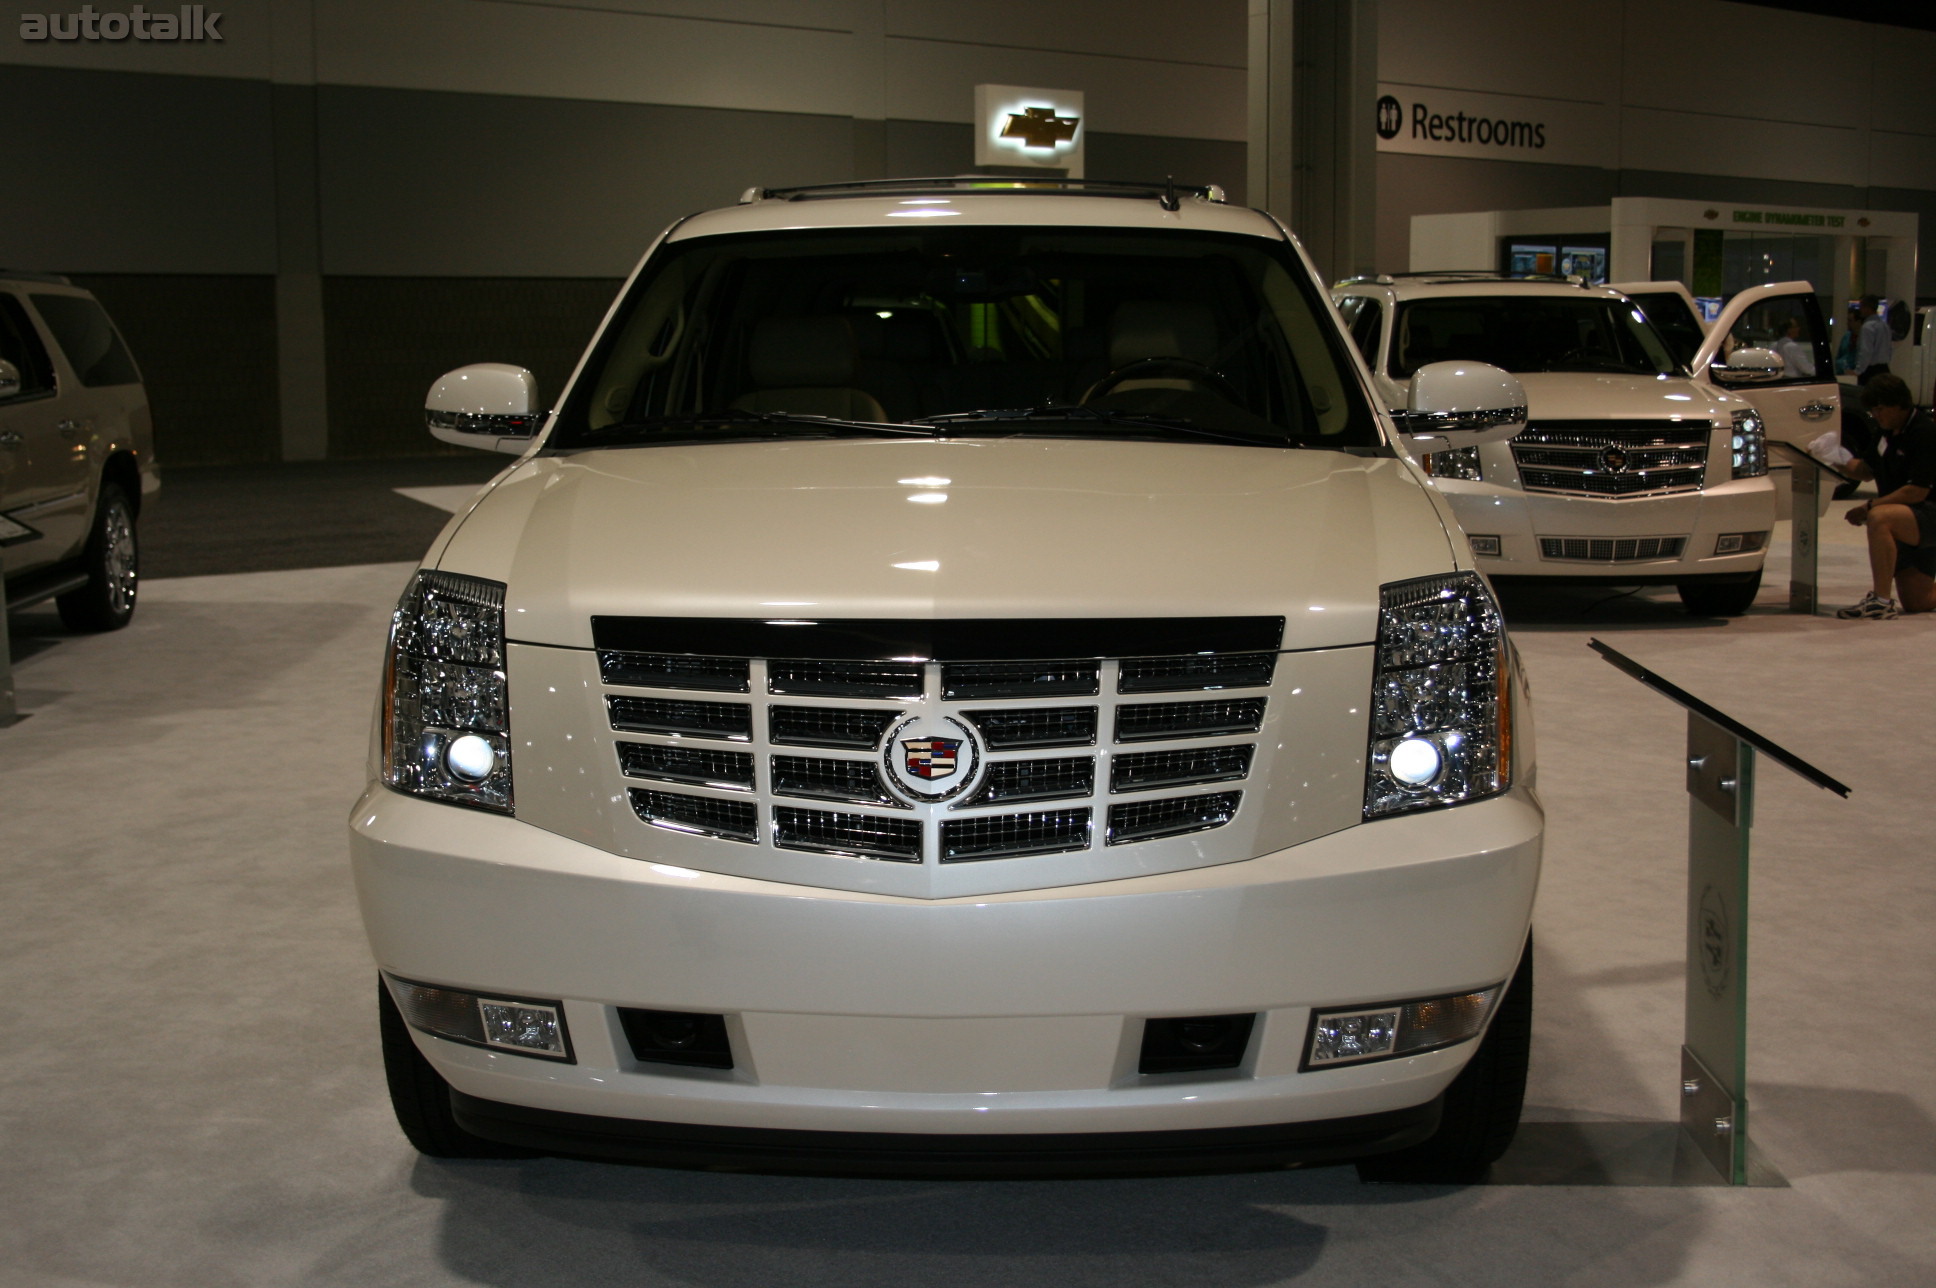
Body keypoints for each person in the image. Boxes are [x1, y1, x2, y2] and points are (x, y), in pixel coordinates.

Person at [1835, 373, 1936, 619]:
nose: (1876, 415)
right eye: (1873, 410)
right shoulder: (1886, 433)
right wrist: (1832, 457)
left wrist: (1870, 506)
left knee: (1880, 517)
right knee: (1917, 602)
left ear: (1899, 404)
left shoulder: (1925, 432)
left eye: (1880, 409)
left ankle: (1880, 601)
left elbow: (1917, 491)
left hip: (1929, 512)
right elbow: (1865, 471)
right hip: (1909, 516)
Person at [1855, 294, 1893, 384]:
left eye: (1861, 306)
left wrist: (1858, 371)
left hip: (1870, 371)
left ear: (1868, 308)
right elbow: (1890, 349)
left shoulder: (1867, 327)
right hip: (1884, 369)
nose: (1860, 310)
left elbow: (1865, 351)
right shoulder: (1885, 326)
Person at [1835, 308, 1862, 375]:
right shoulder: (1846, 336)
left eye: (1850, 321)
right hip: (1841, 372)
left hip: (1854, 374)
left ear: (1858, 322)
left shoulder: (1863, 339)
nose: (1847, 323)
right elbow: (1839, 355)